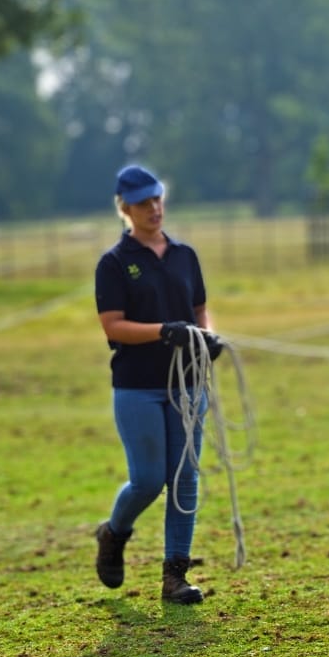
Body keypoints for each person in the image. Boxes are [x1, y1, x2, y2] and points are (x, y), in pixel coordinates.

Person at [93, 164, 222, 604]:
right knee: (148, 480)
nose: (154, 208)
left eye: (157, 199)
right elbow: (113, 325)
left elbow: (200, 309)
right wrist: (164, 331)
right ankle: (114, 532)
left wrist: (207, 337)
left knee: (184, 479)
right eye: (143, 202)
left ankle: (175, 576)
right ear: (125, 208)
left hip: (188, 385)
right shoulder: (114, 263)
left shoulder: (185, 255)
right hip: (138, 387)